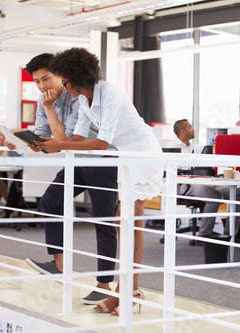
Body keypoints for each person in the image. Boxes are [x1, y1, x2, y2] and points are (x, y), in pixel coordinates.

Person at [36, 47, 163, 315]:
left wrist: (57, 144)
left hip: (142, 153)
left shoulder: (110, 93)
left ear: (78, 76)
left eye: (65, 80)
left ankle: (127, 291)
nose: (64, 86)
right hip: (125, 157)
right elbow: (78, 140)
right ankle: (128, 290)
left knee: (128, 220)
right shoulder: (84, 100)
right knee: (123, 222)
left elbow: (102, 142)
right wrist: (49, 144)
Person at [14, 53, 118, 305]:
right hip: (77, 162)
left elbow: (65, 139)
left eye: (46, 79)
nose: (42, 87)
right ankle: (59, 264)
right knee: (50, 201)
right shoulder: (45, 99)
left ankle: (104, 284)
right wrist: (22, 142)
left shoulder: (79, 96)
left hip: (103, 162)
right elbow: (43, 135)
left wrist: (50, 110)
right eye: (37, 82)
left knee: (103, 220)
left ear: (61, 75)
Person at [166, 119, 240, 238]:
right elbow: (171, 171)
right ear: (182, 131)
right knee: (215, 196)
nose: (193, 129)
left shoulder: (196, 148)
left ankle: (229, 234)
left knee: (239, 193)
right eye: (190, 127)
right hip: (185, 184)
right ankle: (204, 235)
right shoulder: (172, 147)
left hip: (205, 180)